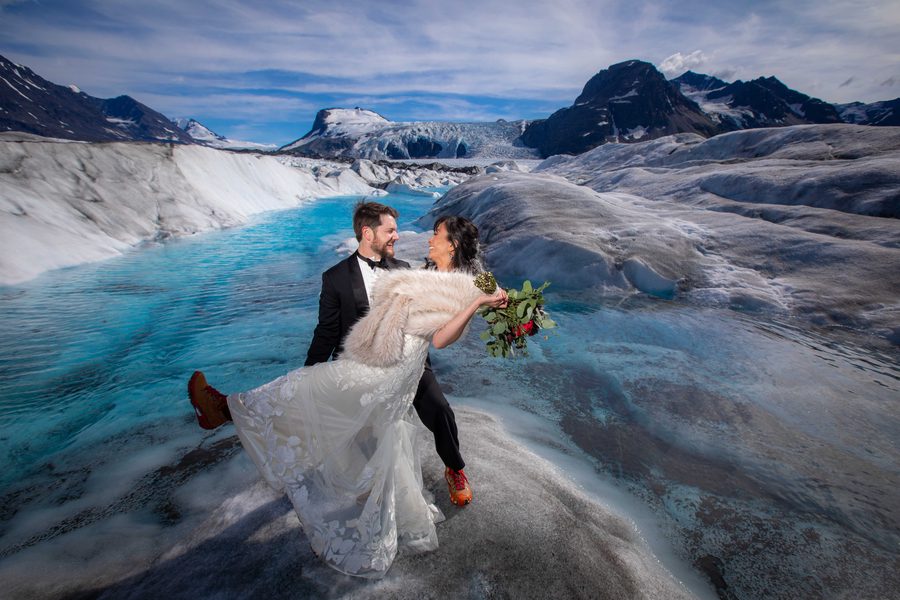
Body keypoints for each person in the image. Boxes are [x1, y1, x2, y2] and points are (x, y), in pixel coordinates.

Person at [187, 214, 508, 578]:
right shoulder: (422, 269)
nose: (427, 238)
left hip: (398, 366)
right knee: (318, 393)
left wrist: (500, 306)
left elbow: (458, 322)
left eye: (436, 234)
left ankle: (224, 408)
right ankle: (227, 408)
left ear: (452, 243)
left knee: (313, 391)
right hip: (386, 359)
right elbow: (494, 295)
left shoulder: (468, 282)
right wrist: (498, 300)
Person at [304, 203, 473, 507]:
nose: (398, 235)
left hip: (410, 363)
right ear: (368, 233)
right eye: (391, 230)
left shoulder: (404, 269)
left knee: (440, 410)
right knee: (361, 429)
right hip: (363, 366)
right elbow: (327, 331)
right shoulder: (335, 278)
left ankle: (455, 469)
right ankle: (370, 482)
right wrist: (312, 372)